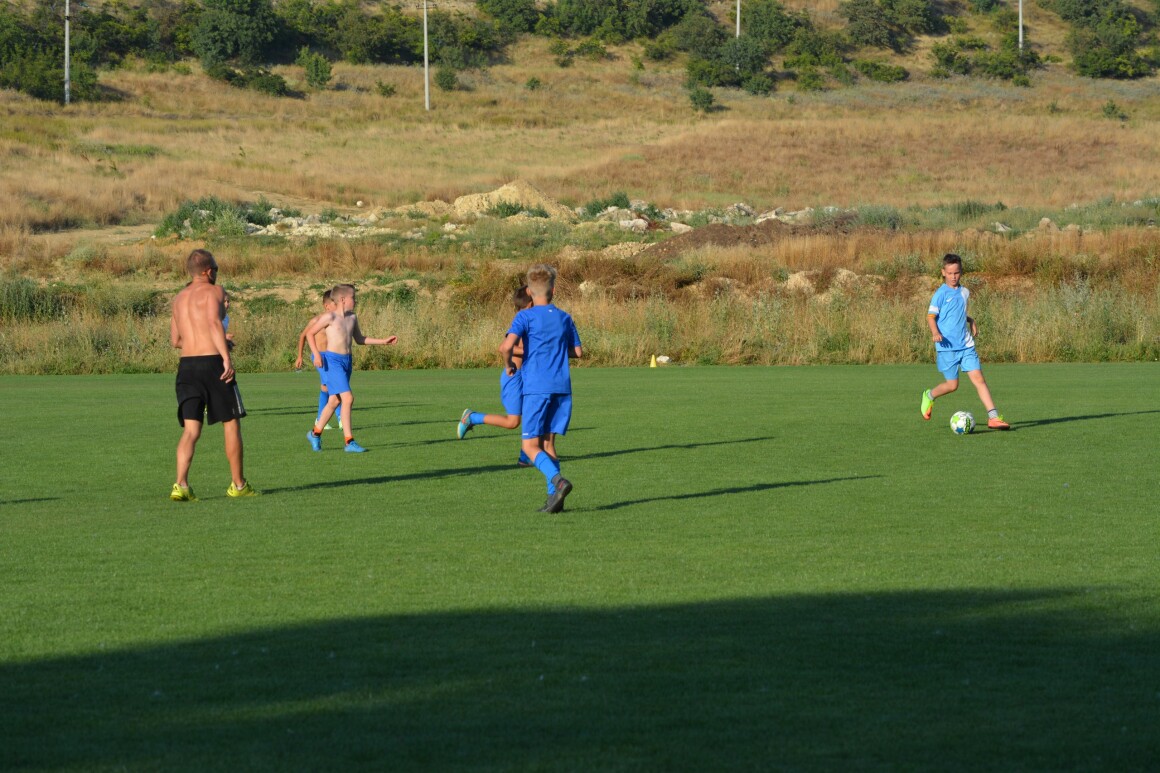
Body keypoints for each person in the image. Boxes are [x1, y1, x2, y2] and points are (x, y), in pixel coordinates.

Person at [170, 249, 259, 500]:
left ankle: (181, 484)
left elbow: (176, 340)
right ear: (208, 271)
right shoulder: (215, 291)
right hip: (212, 364)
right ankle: (238, 485)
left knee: (191, 430)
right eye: (216, 269)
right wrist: (225, 356)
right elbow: (212, 322)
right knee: (231, 422)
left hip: (187, 367)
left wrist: (214, 341)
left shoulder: (178, 298)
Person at [500, 264, 582, 513]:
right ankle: (553, 500)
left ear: (529, 291)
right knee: (548, 445)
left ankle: (558, 481)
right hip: (562, 388)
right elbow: (578, 352)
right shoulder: (565, 317)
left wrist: (509, 366)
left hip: (537, 388)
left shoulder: (524, 316)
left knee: (529, 447)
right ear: (553, 290)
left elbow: (506, 347)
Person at [920, 253, 1010, 430]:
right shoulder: (940, 294)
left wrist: (970, 320)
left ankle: (993, 417)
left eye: (957, 273)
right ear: (943, 272)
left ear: (961, 272)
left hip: (966, 345)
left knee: (979, 379)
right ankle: (929, 395)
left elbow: (957, 313)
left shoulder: (964, 292)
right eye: (950, 273)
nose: (954, 277)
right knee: (952, 385)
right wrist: (935, 332)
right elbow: (931, 316)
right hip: (946, 347)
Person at [304, 283, 398, 453]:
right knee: (347, 398)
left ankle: (315, 434)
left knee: (334, 401)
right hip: (332, 362)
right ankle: (349, 442)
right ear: (342, 299)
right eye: (353, 298)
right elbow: (309, 333)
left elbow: (360, 339)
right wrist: (316, 354)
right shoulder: (330, 317)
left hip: (347, 362)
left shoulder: (352, 317)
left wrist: (383, 341)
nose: (355, 301)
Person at [457, 285, 537, 466]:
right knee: (512, 422)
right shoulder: (521, 320)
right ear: (531, 303)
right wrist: (529, 351)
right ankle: (472, 418)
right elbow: (504, 347)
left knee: (532, 415)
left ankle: (525, 456)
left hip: (528, 377)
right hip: (514, 376)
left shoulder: (532, 319)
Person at [294, 289, 341, 431]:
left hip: (332, 357)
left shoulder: (337, 320)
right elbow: (303, 336)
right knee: (334, 386)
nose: (338, 306)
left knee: (325, 387)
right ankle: (341, 418)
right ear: (327, 306)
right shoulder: (316, 321)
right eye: (335, 304)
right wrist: (300, 356)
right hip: (319, 357)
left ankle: (320, 419)